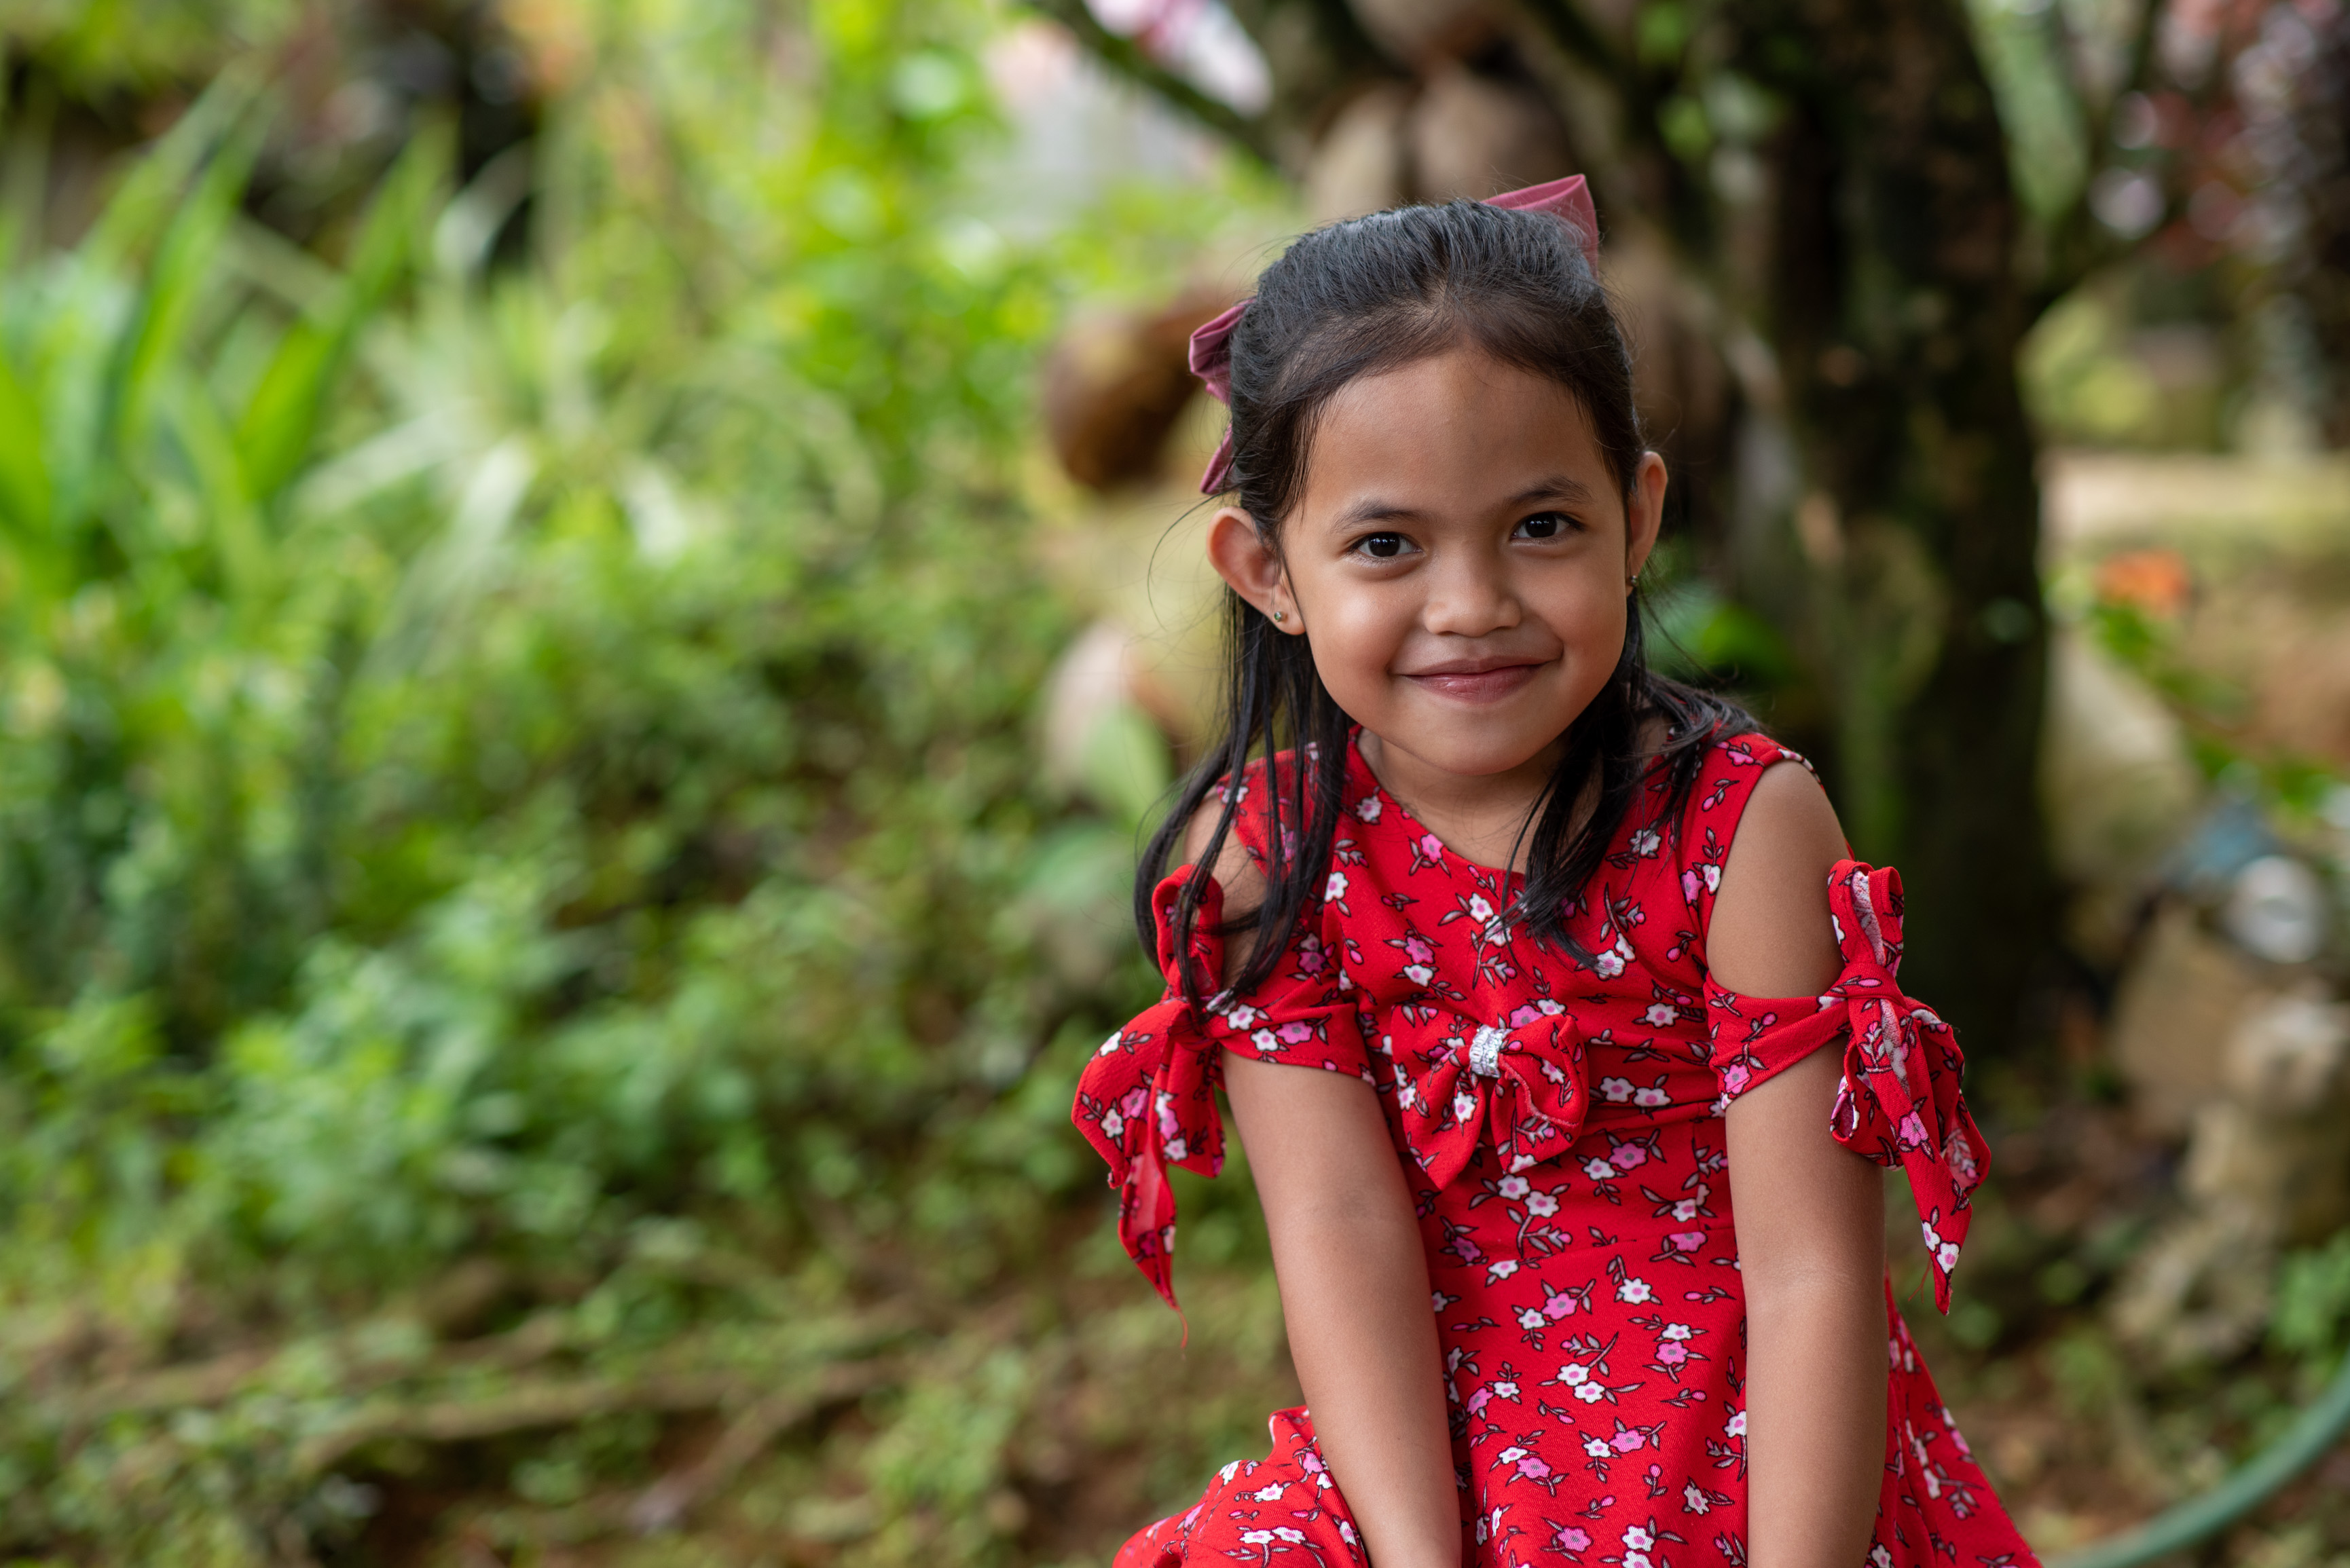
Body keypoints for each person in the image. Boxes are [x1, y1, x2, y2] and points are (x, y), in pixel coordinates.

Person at [1071, 176, 2038, 1568]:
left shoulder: (1739, 829)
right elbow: (1340, 1232)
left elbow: (1815, 1272)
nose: (1472, 605)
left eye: (1540, 526)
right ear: (1269, 570)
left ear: (1637, 518)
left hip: (1747, 1441)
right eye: (1387, 544)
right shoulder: (1269, 862)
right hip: (1423, 1456)